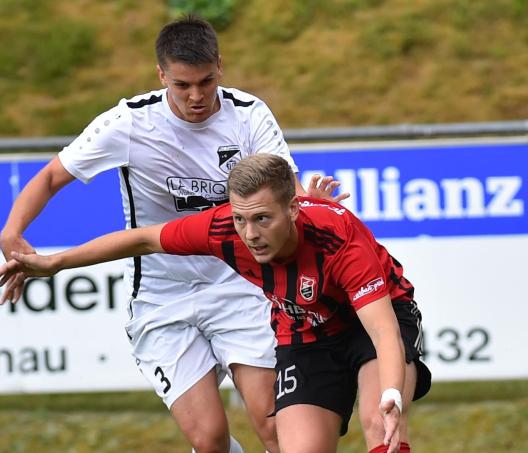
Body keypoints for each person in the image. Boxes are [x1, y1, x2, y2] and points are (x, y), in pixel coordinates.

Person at [0, 16, 345, 453]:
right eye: (182, 85)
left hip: (240, 287)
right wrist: (11, 232)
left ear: (220, 65)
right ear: (161, 75)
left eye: (205, 81)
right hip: (162, 298)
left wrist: (312, 206)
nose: (196, 96)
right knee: (209, 438)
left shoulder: (248, 115)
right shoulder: (127, 123)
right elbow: (50, 176)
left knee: (273, 425)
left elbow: (287, 191)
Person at [0, 153, 431, 453]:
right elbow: (142, 238)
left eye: (263, 218)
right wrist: (56, 262)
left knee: (381, 424)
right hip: (306, 334)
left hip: (373, 323)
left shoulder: (338, 241)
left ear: (295, 210)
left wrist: (393, 392)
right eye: (242, 218)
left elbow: (383, 331)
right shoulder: (223, 229)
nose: (251, 233)